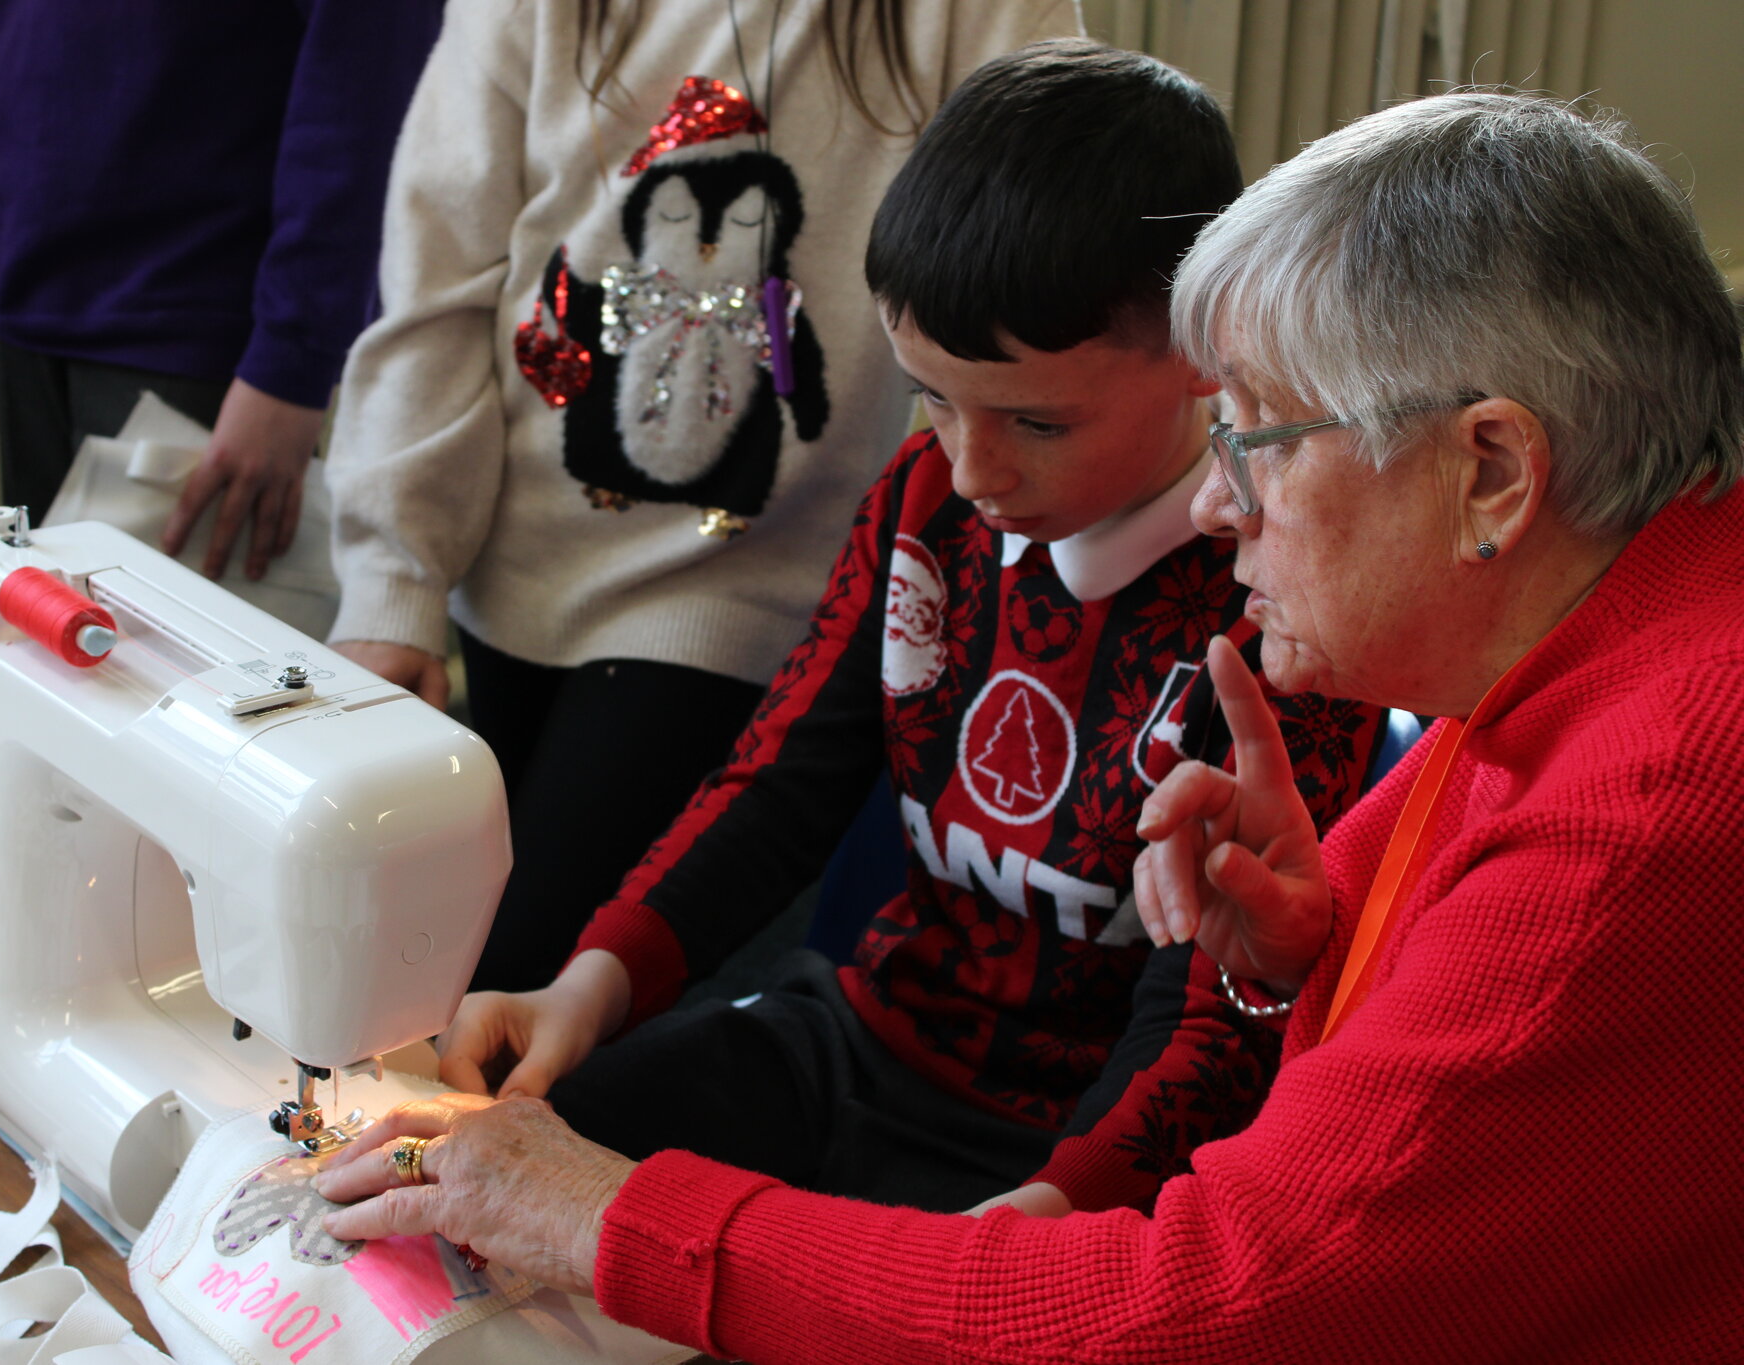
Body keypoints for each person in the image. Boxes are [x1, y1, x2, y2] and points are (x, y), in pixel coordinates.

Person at [312, 90, 1744, 1361]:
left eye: (1253, 434)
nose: (1220, 500)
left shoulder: (1646, 807)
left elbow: (1208, 1305)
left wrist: (617, 1218)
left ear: (1489, 469)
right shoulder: (1572, 668)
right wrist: (1286, 968)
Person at [421, 40, 1384, 1218]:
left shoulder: (1280, 603)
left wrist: (1049, 1211)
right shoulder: (922, 500)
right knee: (510, 1154)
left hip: (1072, 1156)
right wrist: (591, 982)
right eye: (932, 396)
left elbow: (1209, 1019)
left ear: (1201, 350)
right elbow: (779, 781)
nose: (972, 468)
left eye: (1033, 421)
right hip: (850, 1046)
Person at [323, 0, 1074, 992]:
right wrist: (391, 582)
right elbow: (439, 275)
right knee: (416, 973)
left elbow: (1037, 248)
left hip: (733, 591)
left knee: (511, 994)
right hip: (505, 575)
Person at [0, 1, 441, 580]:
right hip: (18, 319)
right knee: (49, 652)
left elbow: (364, 98)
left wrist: (295, 365)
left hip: (194, 338)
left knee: (187, 660)